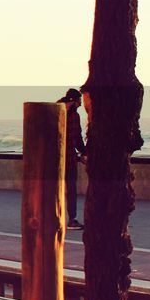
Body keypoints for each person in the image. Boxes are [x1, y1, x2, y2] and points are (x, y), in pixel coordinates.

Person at [59, 88, 87, 229]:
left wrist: (83, 153)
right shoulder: (67, 114)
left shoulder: (58, 112)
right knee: (70, 190)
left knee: (59, 190)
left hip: (65, 159)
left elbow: (74, 139)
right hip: (66, 161)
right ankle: (71, 220)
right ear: (74, 101)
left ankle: (61, 219)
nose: (81, 104)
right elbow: (76, 139)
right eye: (79, 101)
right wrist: (83, 153)